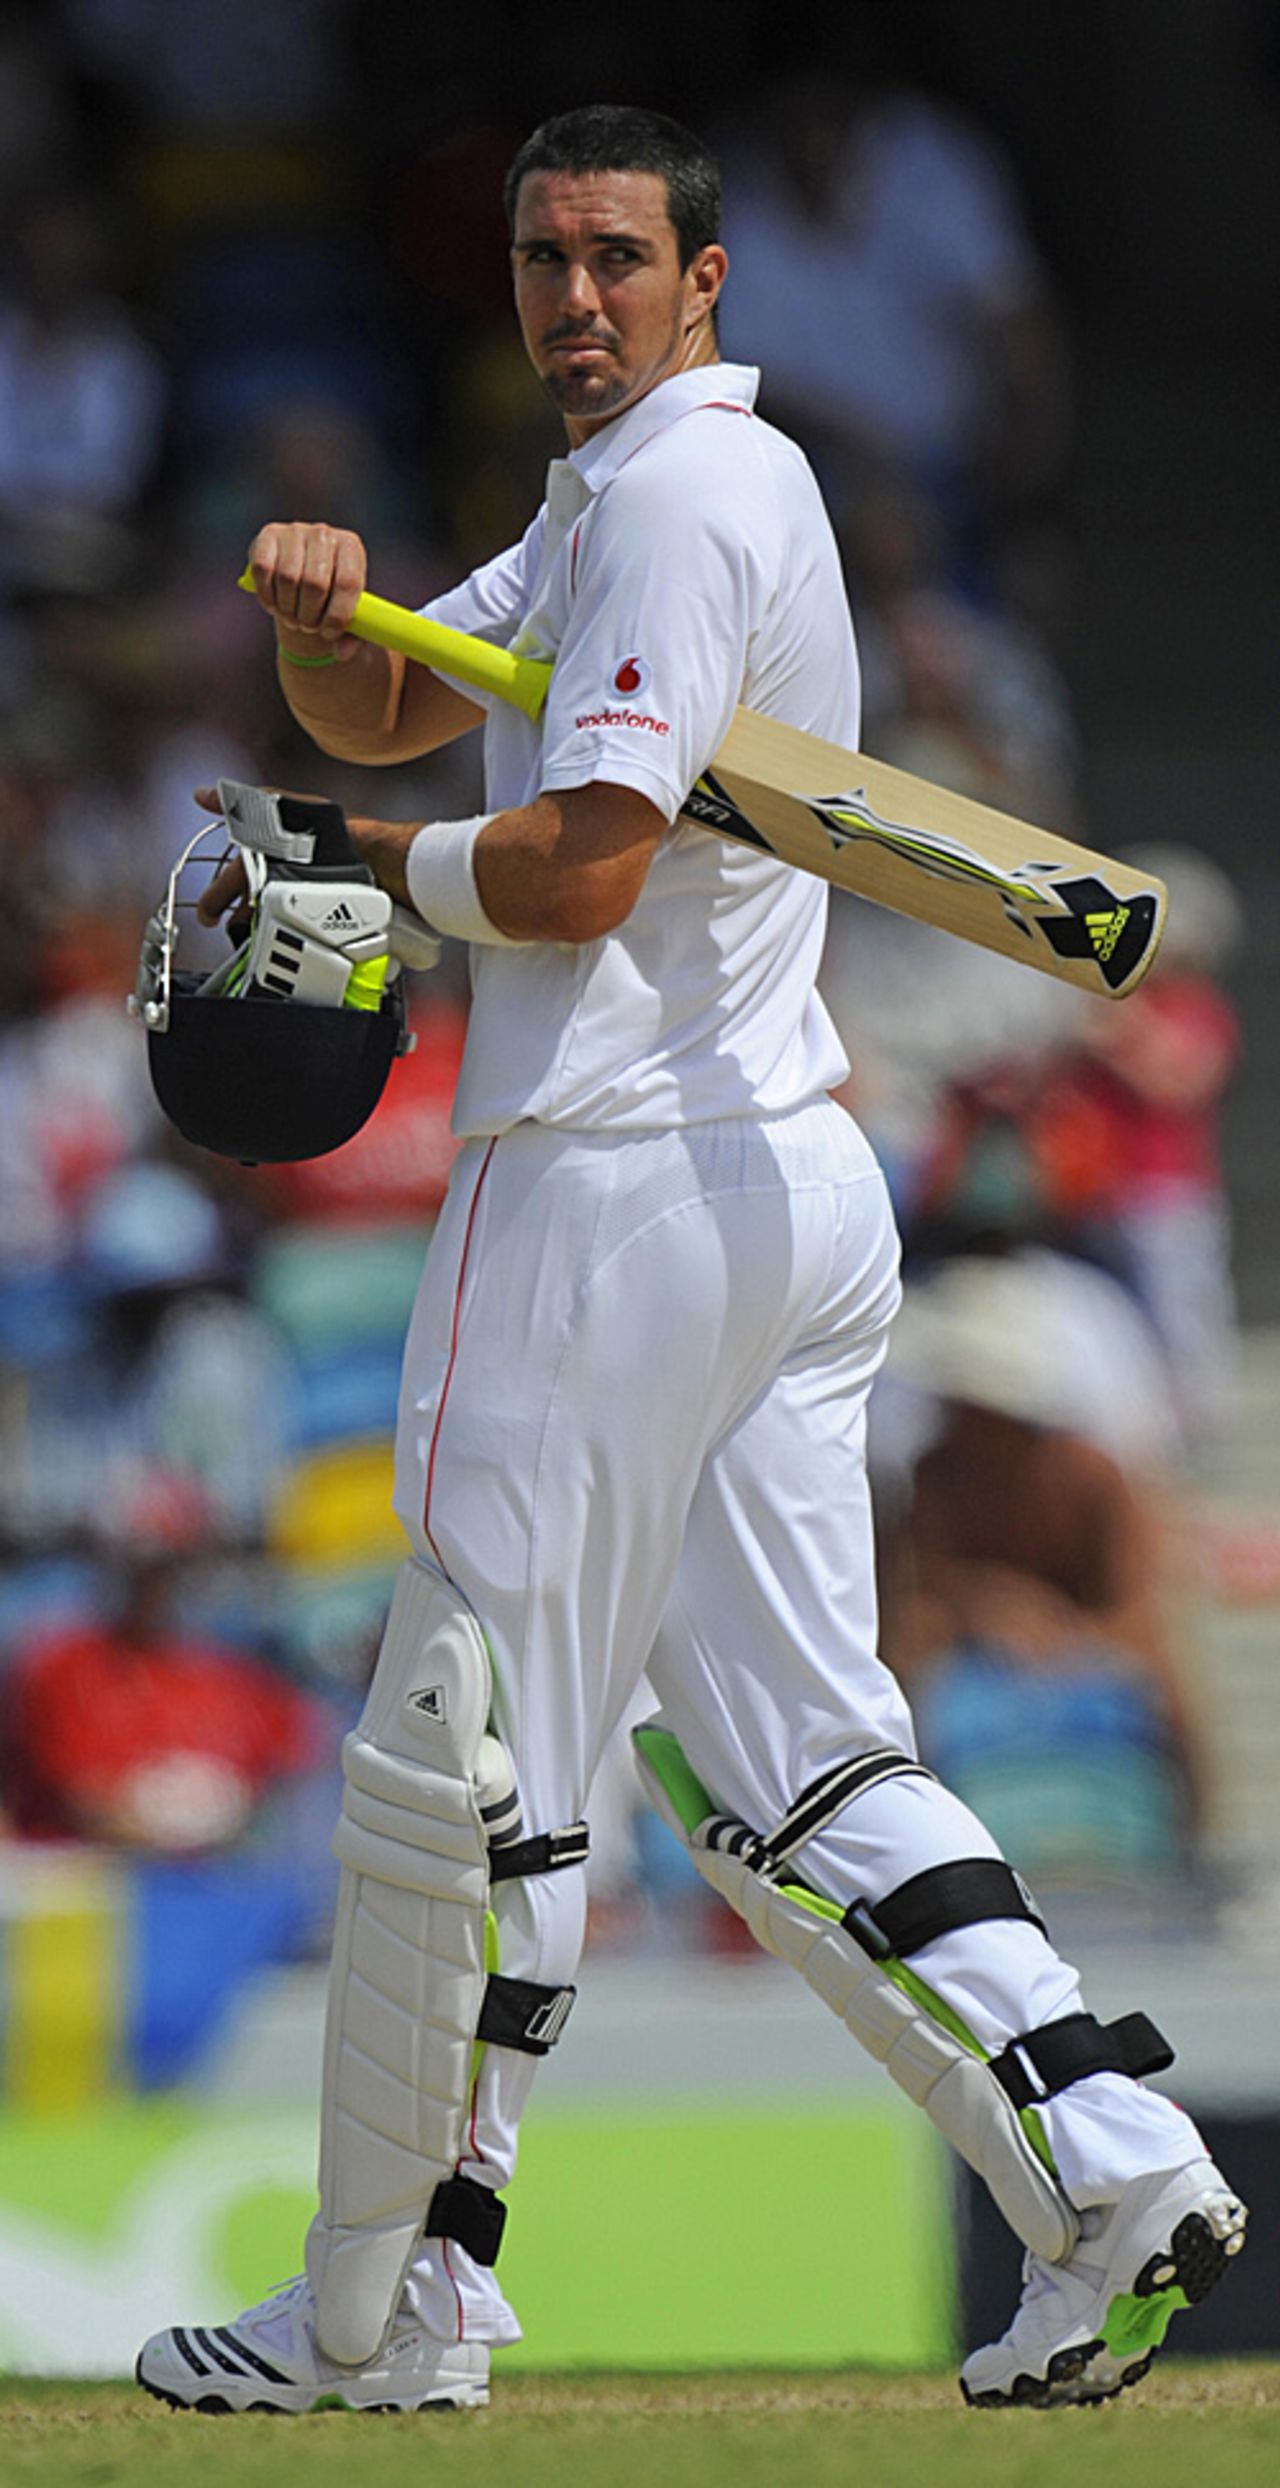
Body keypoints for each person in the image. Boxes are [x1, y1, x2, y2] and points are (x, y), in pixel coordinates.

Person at [136, 105, 1245, 2419]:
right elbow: (408, 705)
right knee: (800, 1764)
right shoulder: (623, 492)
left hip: (610, 1172)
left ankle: (380, 2306)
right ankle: (1110, 2166)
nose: (574, 296)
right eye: (543, 256)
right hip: (780, 1180)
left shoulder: (667, 500)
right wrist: (328, 628)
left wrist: (353, 863)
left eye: (617, 257)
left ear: (701, 279)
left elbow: (577, 870)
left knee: (466, 1744)